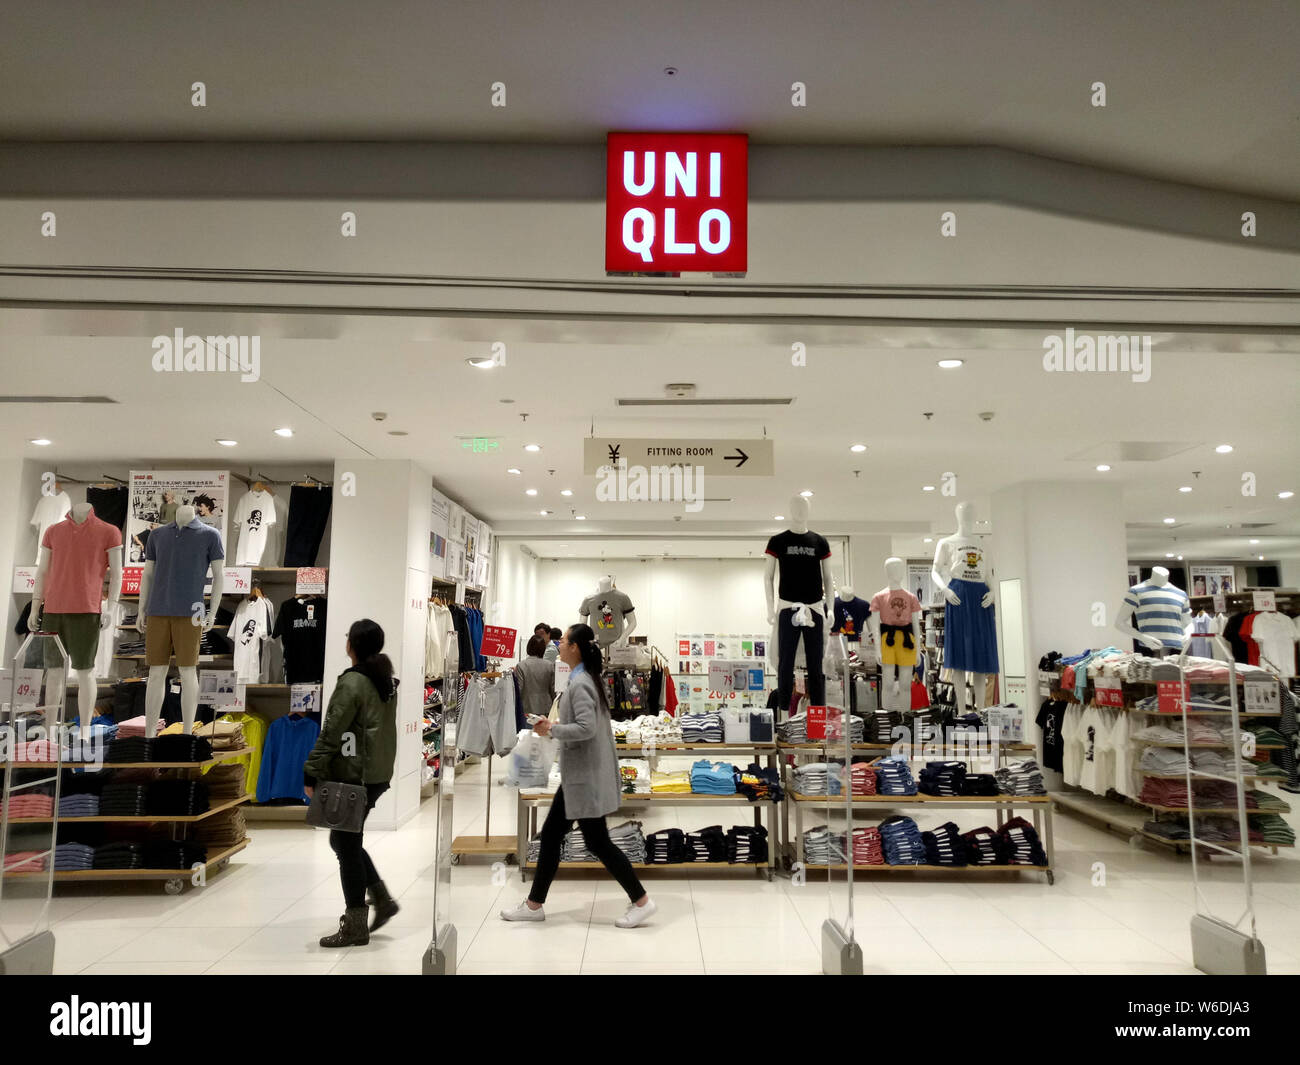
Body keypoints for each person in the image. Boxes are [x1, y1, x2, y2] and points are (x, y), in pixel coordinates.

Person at [500, 624, 655, 928]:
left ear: (576, 648)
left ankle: (642, 901)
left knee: (596, 842)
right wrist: (552, 725)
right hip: (578, 778)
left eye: (565, 640)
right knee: (555, 837)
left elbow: (587, 729)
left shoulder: (581, 682)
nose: (559, 643)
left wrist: (552, 729)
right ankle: (534, 905)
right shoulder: (582, 679)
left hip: (583, 779)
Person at [305, 618, 400, 948]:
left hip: (354, 775)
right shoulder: (383, 679)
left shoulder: (353, 683)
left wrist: (312, 770)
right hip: (375, 774)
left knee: (345, 846)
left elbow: (332, 731)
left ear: (353, 645)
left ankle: (356, 923)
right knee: (343, 841)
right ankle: (382, 897)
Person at [516, 634, 556, 721]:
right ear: (543, 649)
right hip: (546, 707)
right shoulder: (549, 665)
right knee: (545, 734)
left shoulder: (521, 666)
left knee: (526, 734)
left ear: (528, 647)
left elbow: (519, 689)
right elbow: (553, 689)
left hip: (527, 708)